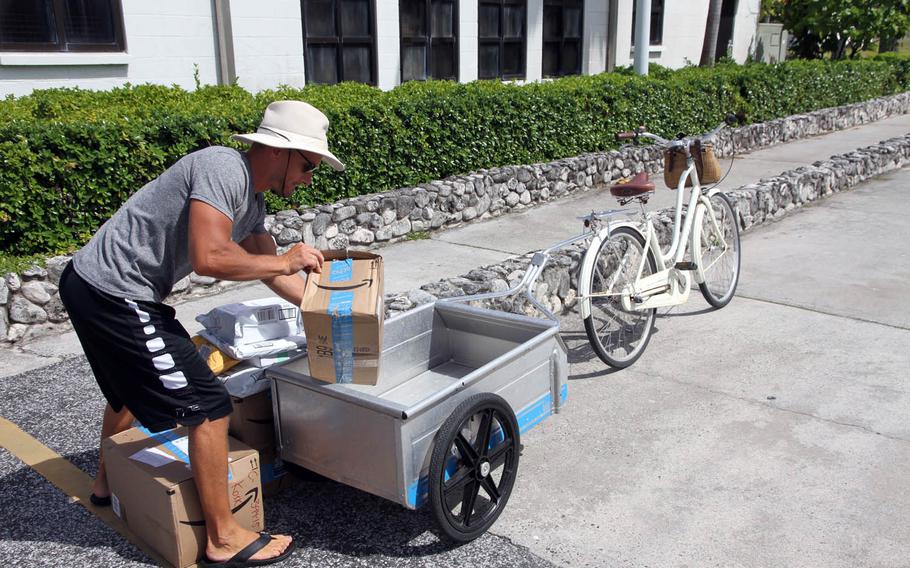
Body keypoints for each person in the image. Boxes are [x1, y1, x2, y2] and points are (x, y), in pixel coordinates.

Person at [59, 100, 344, 567]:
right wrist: (285, 259)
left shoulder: (251, 200)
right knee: (208, 405)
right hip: (114, 292)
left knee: (130, 389)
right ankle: (223, 538)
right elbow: (211, 256)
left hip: (94, 285)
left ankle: (105, 484)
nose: (309, 178)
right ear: (280, 152)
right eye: (309, 165)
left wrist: (331, 310)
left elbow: (272, 273)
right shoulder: (222, 167)